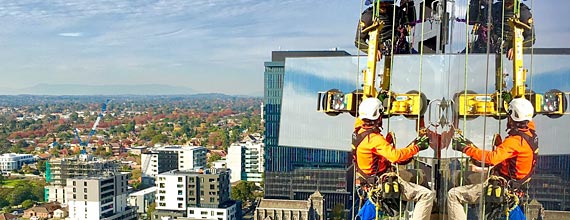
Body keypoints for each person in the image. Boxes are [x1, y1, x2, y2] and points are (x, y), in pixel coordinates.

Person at [447, 98, 538, 220]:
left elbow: (491, 159)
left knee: (453, 195)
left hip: (505, 188)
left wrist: (466, 149)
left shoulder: (515, 141)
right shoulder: (530, 133)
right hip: (513, 185)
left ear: (512, 118)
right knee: (465, 178)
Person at [353, 98, 435, 220]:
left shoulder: (359, 128)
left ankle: (427, 211)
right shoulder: (374, 139)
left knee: (420, 175)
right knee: (426, 195)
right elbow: (395, 156)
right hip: (380, 183)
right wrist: (417, 147)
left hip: (370, 179)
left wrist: (380, 100)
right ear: (378, 117)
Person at [467, 0, 536, 60]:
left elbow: (531, 38)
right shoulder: (495, 7)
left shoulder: (522, 12)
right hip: (481, 51)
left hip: (503, 56)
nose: (508, 1)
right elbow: (471, 20)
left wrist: (517, 48)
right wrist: (475, 2)